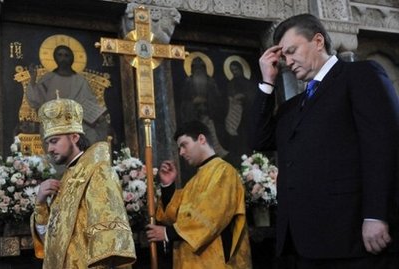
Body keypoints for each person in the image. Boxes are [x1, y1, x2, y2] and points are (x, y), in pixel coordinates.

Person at [251, 13, 399, 269]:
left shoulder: (360, 75)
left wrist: (377, 214)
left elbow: (384, 146)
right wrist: (267, 82)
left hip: (352, 236)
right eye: (283, 56)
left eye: (292, 50)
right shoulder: (292, 107)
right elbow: (260, 140)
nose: (287, 61)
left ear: (318, 41)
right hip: (303, 242)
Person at [30, 96, 136, 268]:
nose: (49, 149)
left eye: (54, 141)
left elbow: (109, 243)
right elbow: (50, 241)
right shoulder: (66, 179)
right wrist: (40, 203)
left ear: (74, 137)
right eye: (48, 143)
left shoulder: (98, 171)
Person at [146, 120, 252, 269]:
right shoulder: (194, 181)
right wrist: (168, 185)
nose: (181, 152)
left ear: (201, 139)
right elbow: (174, 215)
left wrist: (168, 234)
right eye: (179, 148)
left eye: (184, 145)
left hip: (216, 262)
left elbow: (211, 216)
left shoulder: (224, 172)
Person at [26, 45, 109, 145]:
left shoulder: (80, 81)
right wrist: (32, 79)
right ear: (55, 58)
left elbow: (90, 103)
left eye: (66, 55)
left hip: (79, 123)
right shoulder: (47, 80)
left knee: (94, 134)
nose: (63, 58)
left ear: (72, 58)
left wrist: (97, 115)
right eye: (60, 55)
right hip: (54, 124)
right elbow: (36, 101)